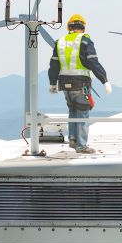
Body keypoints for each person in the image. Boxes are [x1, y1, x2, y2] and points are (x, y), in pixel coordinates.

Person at [48, 13, 111, 153]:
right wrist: (104, 80)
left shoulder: (60, 42)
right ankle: (82, 146)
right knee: (83, 111)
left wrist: (52, 83)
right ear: (83, 27)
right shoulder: (85, 41)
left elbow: (54, 65)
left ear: (69, 27)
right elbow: (93, 62)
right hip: (80, 83)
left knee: (72, 109)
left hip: (64, 84)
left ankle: (73, 139)